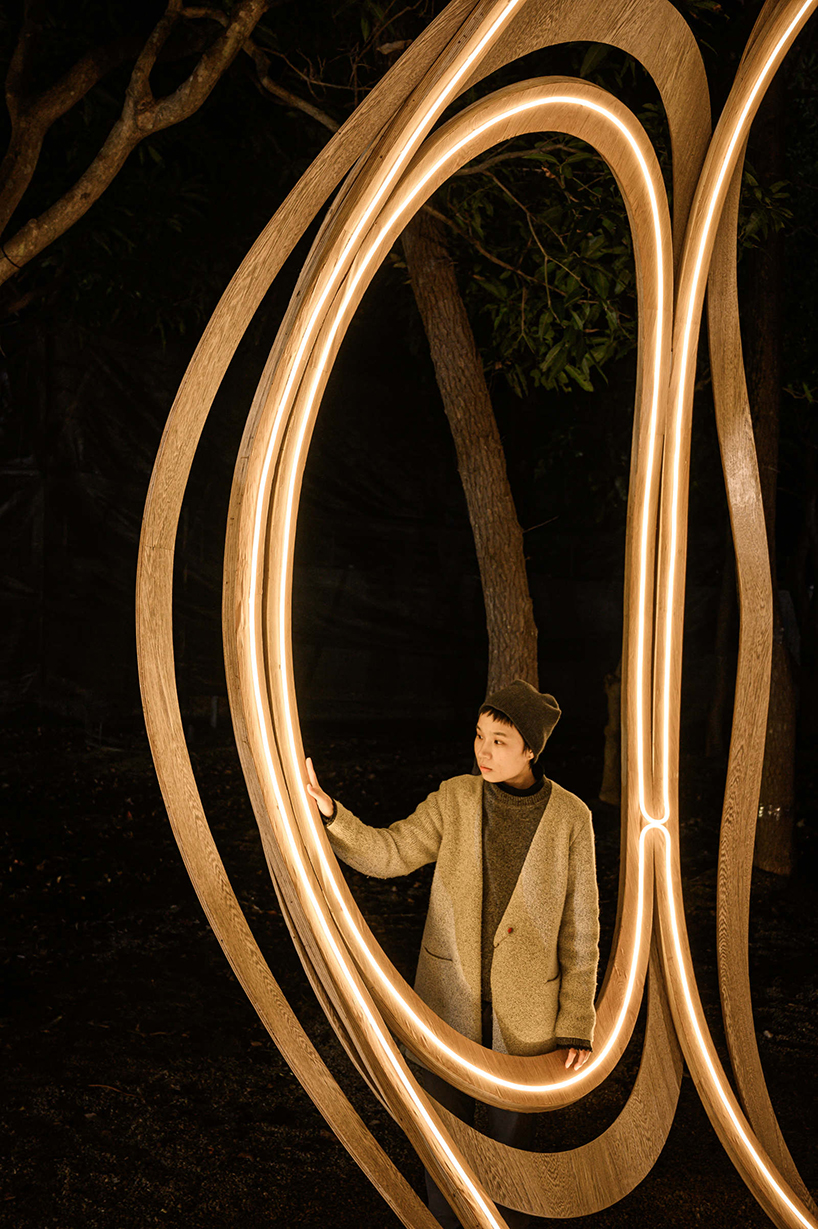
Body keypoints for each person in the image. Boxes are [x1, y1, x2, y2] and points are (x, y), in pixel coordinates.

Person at [305, 679, 599, 1229]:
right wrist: (331, 814)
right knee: (444, 1151)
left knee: (513, 1164)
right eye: (480, 736)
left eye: (500, 742)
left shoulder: (570, 818)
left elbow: (580, 931)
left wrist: (576, 1021)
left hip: (527, 1023)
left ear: (531, 750)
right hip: (446, 1011)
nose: (483, 752)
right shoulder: (455, 798)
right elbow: (390, 852)